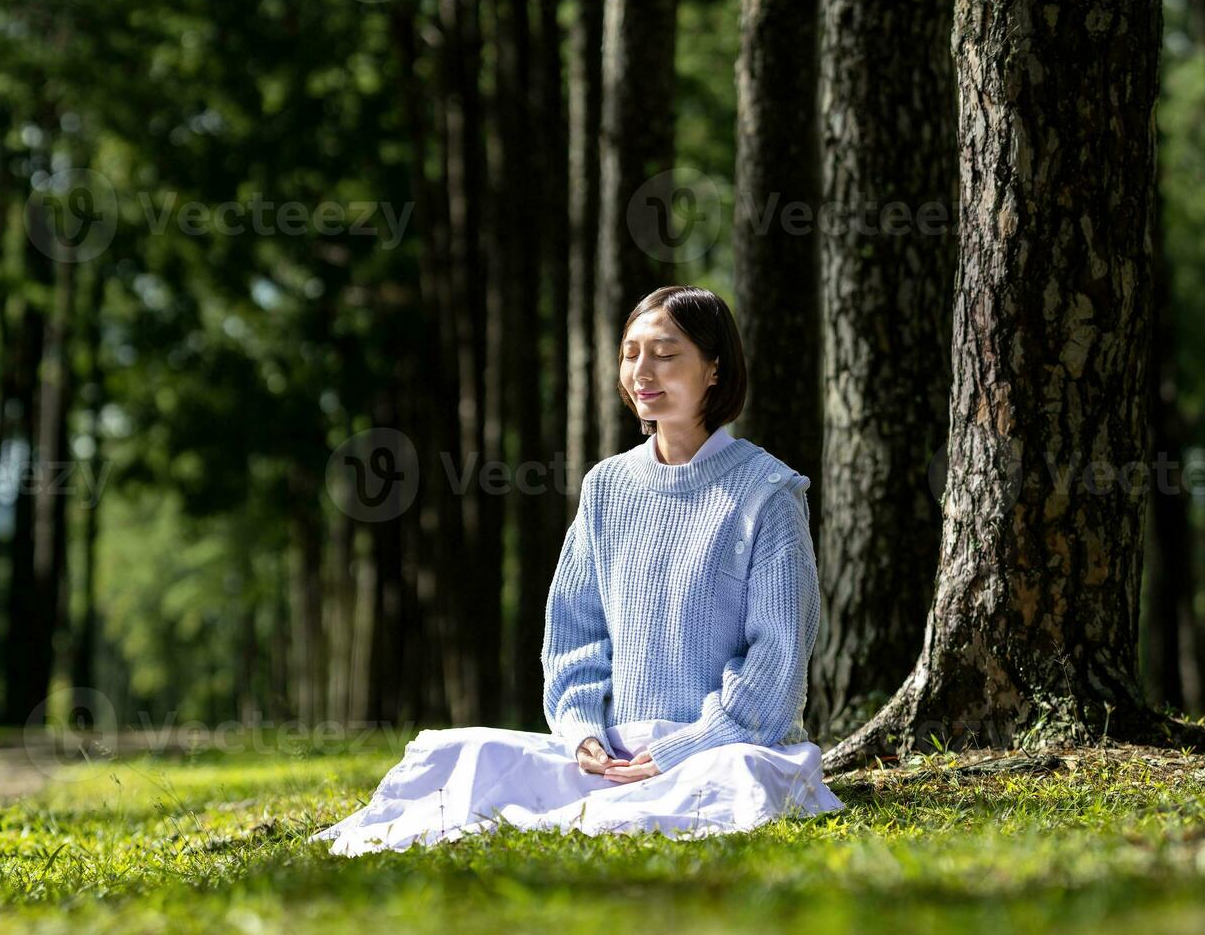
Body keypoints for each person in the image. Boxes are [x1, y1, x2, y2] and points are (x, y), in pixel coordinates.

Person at [312, 285, 844, 856]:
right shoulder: (607, 487)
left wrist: (681, 749)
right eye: (630, 353)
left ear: (715, 369)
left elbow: (777, 657)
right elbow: (573, 632)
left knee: (736, 784)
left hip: (726, 747)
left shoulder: (768, 493)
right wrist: (583, 733)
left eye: (665, 354)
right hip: (617, 751)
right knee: (466, 753)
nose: (642, 371)